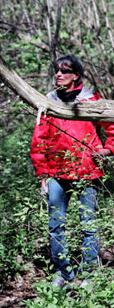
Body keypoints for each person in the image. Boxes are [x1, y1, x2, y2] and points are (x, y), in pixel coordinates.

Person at [30, 55, 114, 288]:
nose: (59, 74)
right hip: (57, 172)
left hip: (88, 171)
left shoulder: (91, 100)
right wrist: (43, 174)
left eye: (65, 71)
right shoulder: (48, 102)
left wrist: (107, 150)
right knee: (56, 223)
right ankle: (63, 273)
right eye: (56, 70)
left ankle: (89, 274)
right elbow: (39, 140)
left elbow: (112, 125)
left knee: (88, 223)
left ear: (76, 75)